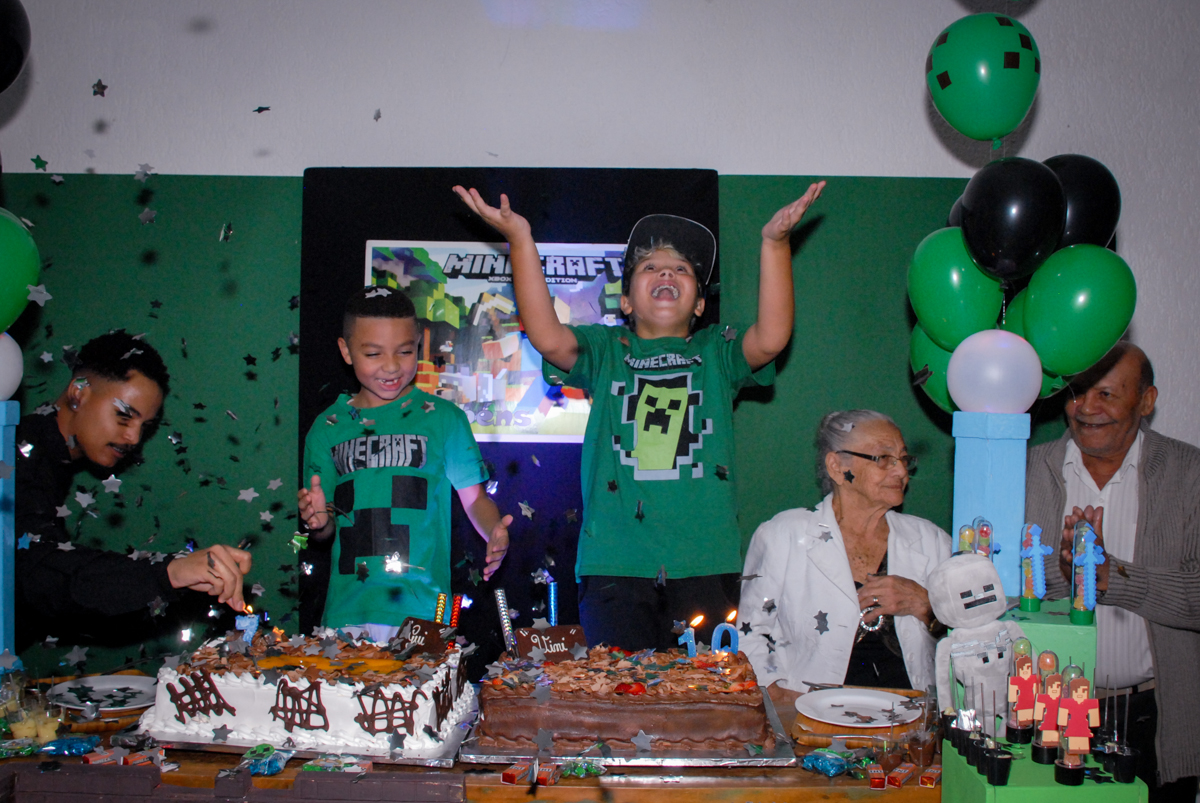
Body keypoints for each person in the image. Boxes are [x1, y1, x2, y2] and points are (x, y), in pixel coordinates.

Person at [453, 181, 824, 650]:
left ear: (701, 304)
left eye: (682, 269)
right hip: (614, 565)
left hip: (704, 563)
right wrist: (521, 241)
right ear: (626, 301)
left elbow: (770, 337)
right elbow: (547, 337)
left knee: (701, 705)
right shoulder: (606, 350)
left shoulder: (716, 353)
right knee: (622, 705)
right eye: (649, 267)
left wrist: (774, 243)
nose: (666, 272)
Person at [1026, 342, 1199, 800]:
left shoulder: (1190, 474)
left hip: (1154, 718)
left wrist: (1112, 577)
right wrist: (1066, 573)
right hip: (1047, 716)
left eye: (1106, 395)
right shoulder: (1026, 470)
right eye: (1077, 393)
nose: (1086, 409)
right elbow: (996, 586)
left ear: (1146, 401)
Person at [297, 286, 511, 642]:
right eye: (373, 353)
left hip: (431, 612)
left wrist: (494, 532)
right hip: (348, 613)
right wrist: (317, 521)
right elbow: (323, 528)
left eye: (405, 351)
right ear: (345, 351)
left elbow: (474, 499)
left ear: (419, 346)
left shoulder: (445, 419)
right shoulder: (326, 428)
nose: (392, 366)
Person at [14, 332, 252, 651]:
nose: (133, 438)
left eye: (146, 427)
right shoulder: (17, 453)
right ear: (78, 392)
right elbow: (39, 573)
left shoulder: (50, 455)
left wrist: (170, 571)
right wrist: (168, 573)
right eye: (125, 416)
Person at [740, 410, 950, 711]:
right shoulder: (783, 536)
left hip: (911, 726)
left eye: (903, 459)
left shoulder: (931, 542)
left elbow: (969, 638)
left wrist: (926, 606)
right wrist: (777, 695)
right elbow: (751, 632)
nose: (901, 471)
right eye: (883, 459)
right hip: (813, 720)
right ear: (837, 467)